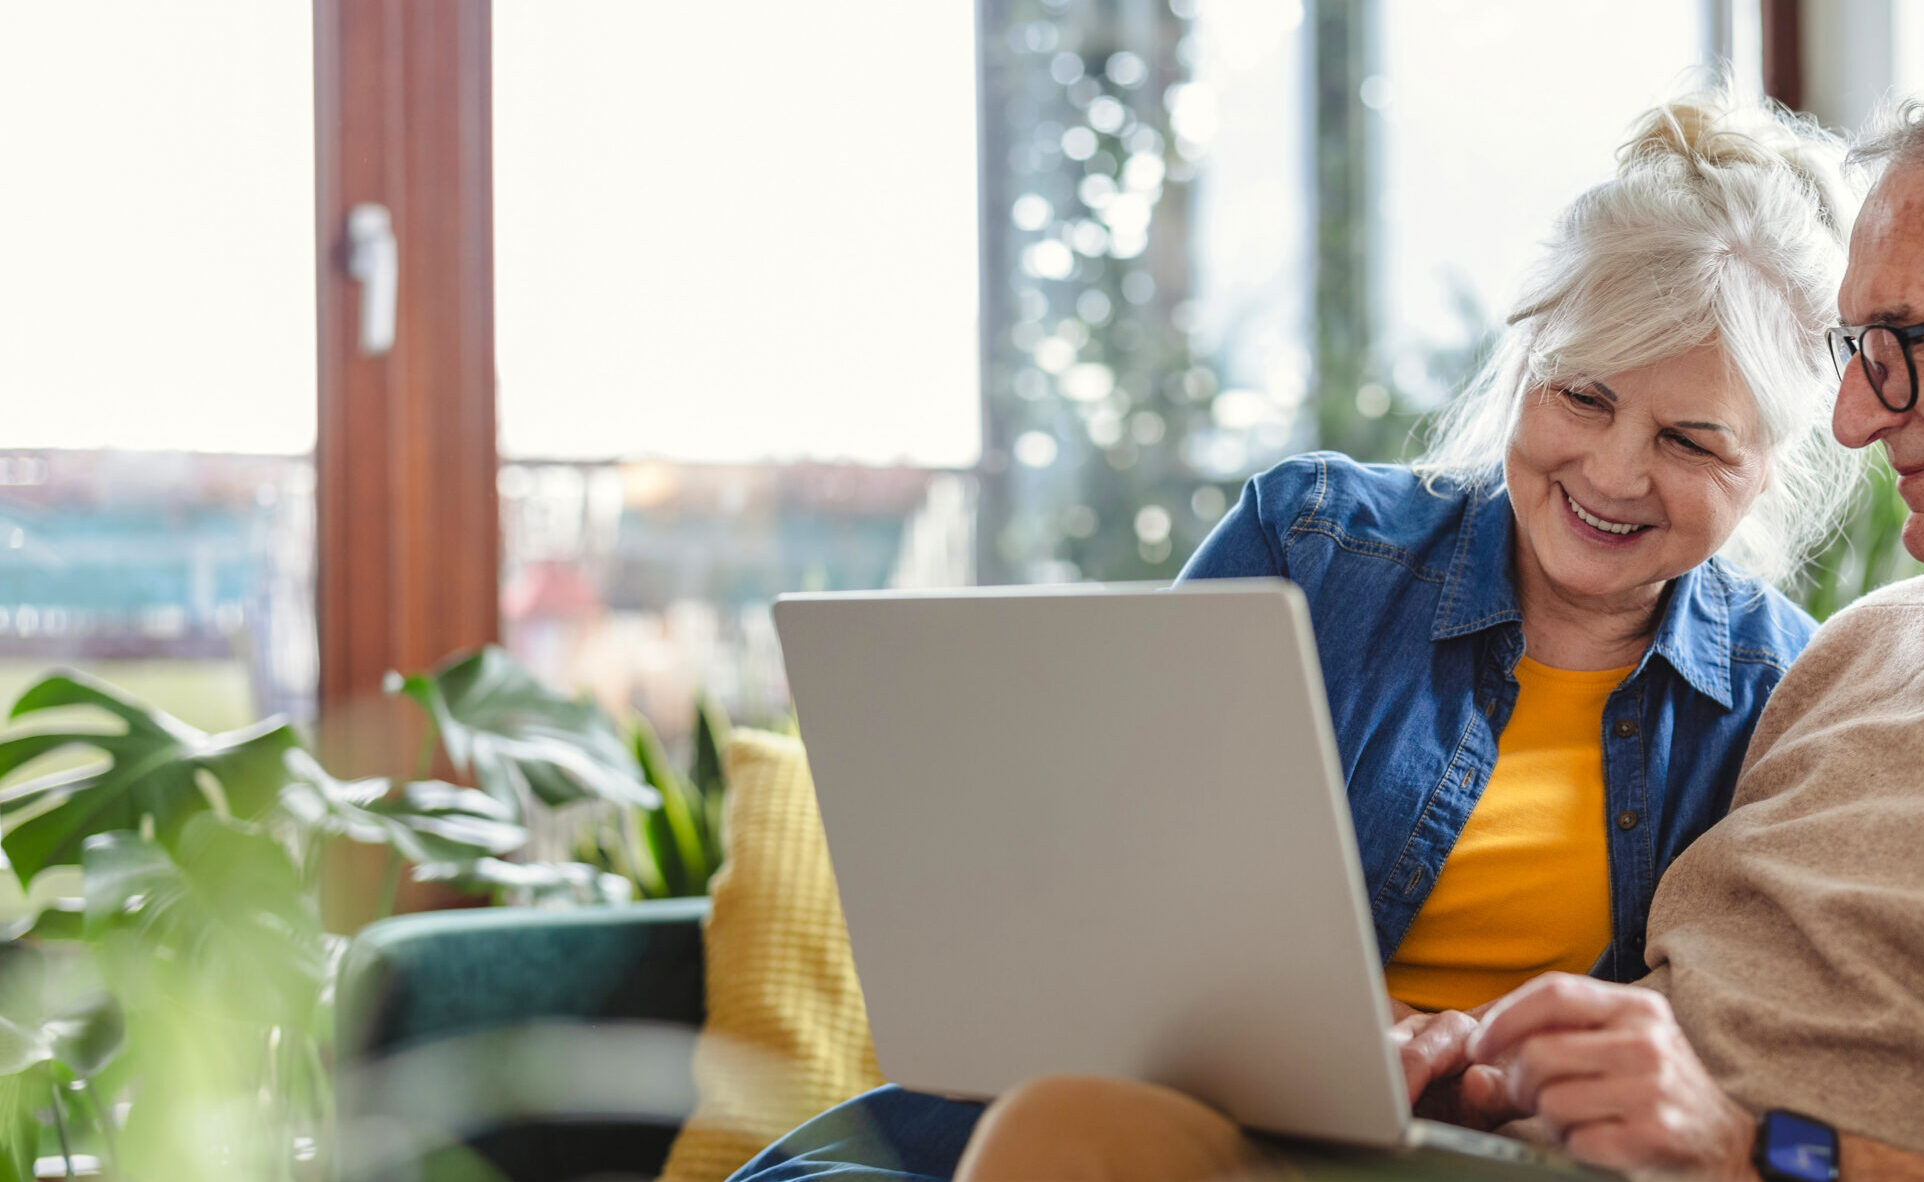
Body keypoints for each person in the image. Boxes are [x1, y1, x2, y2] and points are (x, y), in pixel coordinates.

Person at [952, 40, 1924, 1182]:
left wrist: (1762, 1146)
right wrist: (1497, 1063)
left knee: (1073, 1140)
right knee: (1072, 1129)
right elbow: (1680, 998)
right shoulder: (1874, 645)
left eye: (1905, 347)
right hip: (1498, 1149)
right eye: (1854, 352)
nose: (1856, 421)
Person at [728, 89, 1862, 1181]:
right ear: (1522, 365)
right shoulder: (1314, 544)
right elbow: (1115, 897)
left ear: (1770, 464)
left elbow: (1738, 1049)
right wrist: (1371, 1033)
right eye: (1582, 396)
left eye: (1690, 441)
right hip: (1175, 1112)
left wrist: (1479, 1071)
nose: (1612, 472)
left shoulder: (1789, 691)